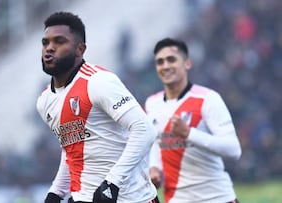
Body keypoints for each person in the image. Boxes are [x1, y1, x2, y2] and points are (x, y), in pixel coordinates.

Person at [37, 11, 159, 203]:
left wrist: (112, 183)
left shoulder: (98, 81)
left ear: (80, 49)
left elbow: (145, 130)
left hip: (130, 199)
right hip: (84, 198)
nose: (49, 48)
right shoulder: (45, 101)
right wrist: (56, 191)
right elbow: (72, 148)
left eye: (59, 42)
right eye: (46, 42)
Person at [145, 38, 242, 203]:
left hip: (217, 198)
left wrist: (189, 133)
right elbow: (156, 141)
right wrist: (154, 167)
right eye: (160, 62)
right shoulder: (152, 103)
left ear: (187, 64)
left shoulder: (208, 99)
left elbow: (233, 150)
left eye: (171, 59)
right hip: (176, 199)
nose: (165, 66)